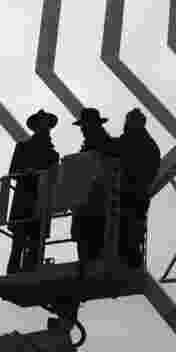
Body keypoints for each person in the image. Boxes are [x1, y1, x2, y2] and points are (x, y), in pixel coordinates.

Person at [6, 110, 60, 273]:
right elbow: (13, 171)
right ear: (36, 127)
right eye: (41, 124)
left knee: (37, 242)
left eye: (46, 125)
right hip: (24, 200)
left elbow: (55, 179)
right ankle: (14, 271)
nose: (44, 128)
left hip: (41, 201)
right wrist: (27, 171)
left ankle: (31, 269)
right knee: (19, 241)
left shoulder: (53, 154)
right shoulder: (23, 147)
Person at [71, 108, 120, 267]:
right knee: (87, 240)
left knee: (92, 240)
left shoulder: (107, 145)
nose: (83, 130)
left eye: (85, 126)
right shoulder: (104, 145)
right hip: (88, 204)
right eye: (82, 127)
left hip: (97, 204)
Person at [117, 108, 162, 268]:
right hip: (140, 191)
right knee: (135, 224)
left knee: (126, 223)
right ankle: (132, 255)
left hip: (129, 190)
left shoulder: (129, 140)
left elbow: (113, 149)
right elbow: (154, 166)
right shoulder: (149, 144)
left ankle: (127, 254)